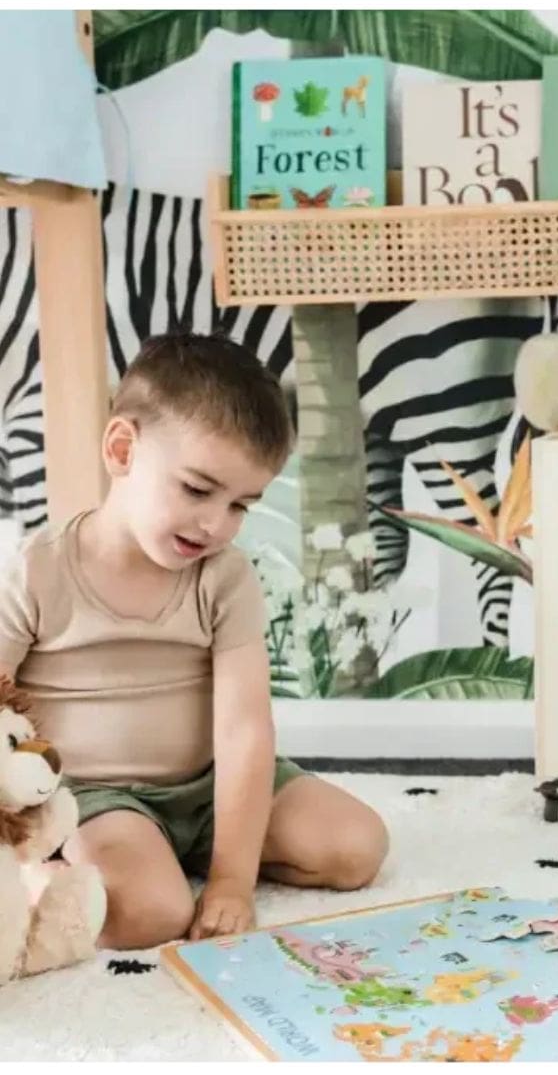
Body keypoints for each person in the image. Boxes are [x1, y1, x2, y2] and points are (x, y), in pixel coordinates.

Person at [0, 332, 388, 949]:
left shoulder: (225, 577)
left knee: (356, 847)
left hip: (209, 787)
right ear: (123, 449)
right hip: (101, 798)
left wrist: (233, 881)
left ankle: (191, 859)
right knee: (150, 914)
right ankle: (81, 869)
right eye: (198, 490)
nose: (216, 524)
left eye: (241, 506)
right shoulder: (38, 571)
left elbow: (244, 729)